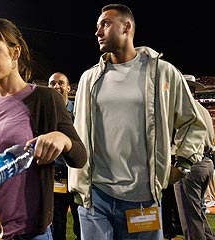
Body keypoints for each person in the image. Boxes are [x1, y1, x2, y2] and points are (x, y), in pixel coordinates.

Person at [68, 4, 207, 240]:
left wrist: (183, 163)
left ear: (126, 27)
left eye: (105, 24)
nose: (98, 32)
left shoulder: (163, 72)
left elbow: (193, 122)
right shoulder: (88, 78)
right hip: (95, 196)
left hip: (143, 198)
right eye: (97, 27)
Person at [0, 17, 87, 240]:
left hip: (28, 233)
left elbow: (80, 157)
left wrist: (62, 139)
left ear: (15, 53)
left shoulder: (45, 99)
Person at [174, 74, 215, 240]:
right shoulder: (203, 109)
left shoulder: (183, 108)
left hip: (190, 165)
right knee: (197, 212)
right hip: (206, 162)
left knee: (190, 221)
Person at [48, 72, 81, 240]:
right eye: (52, 83)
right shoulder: (44, 112)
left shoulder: (79, 110)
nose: (56, 86)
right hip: (55, 178)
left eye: (60, 83)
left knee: (81, 224)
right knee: (57, 225)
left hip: (78, 176)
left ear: (69, 87)